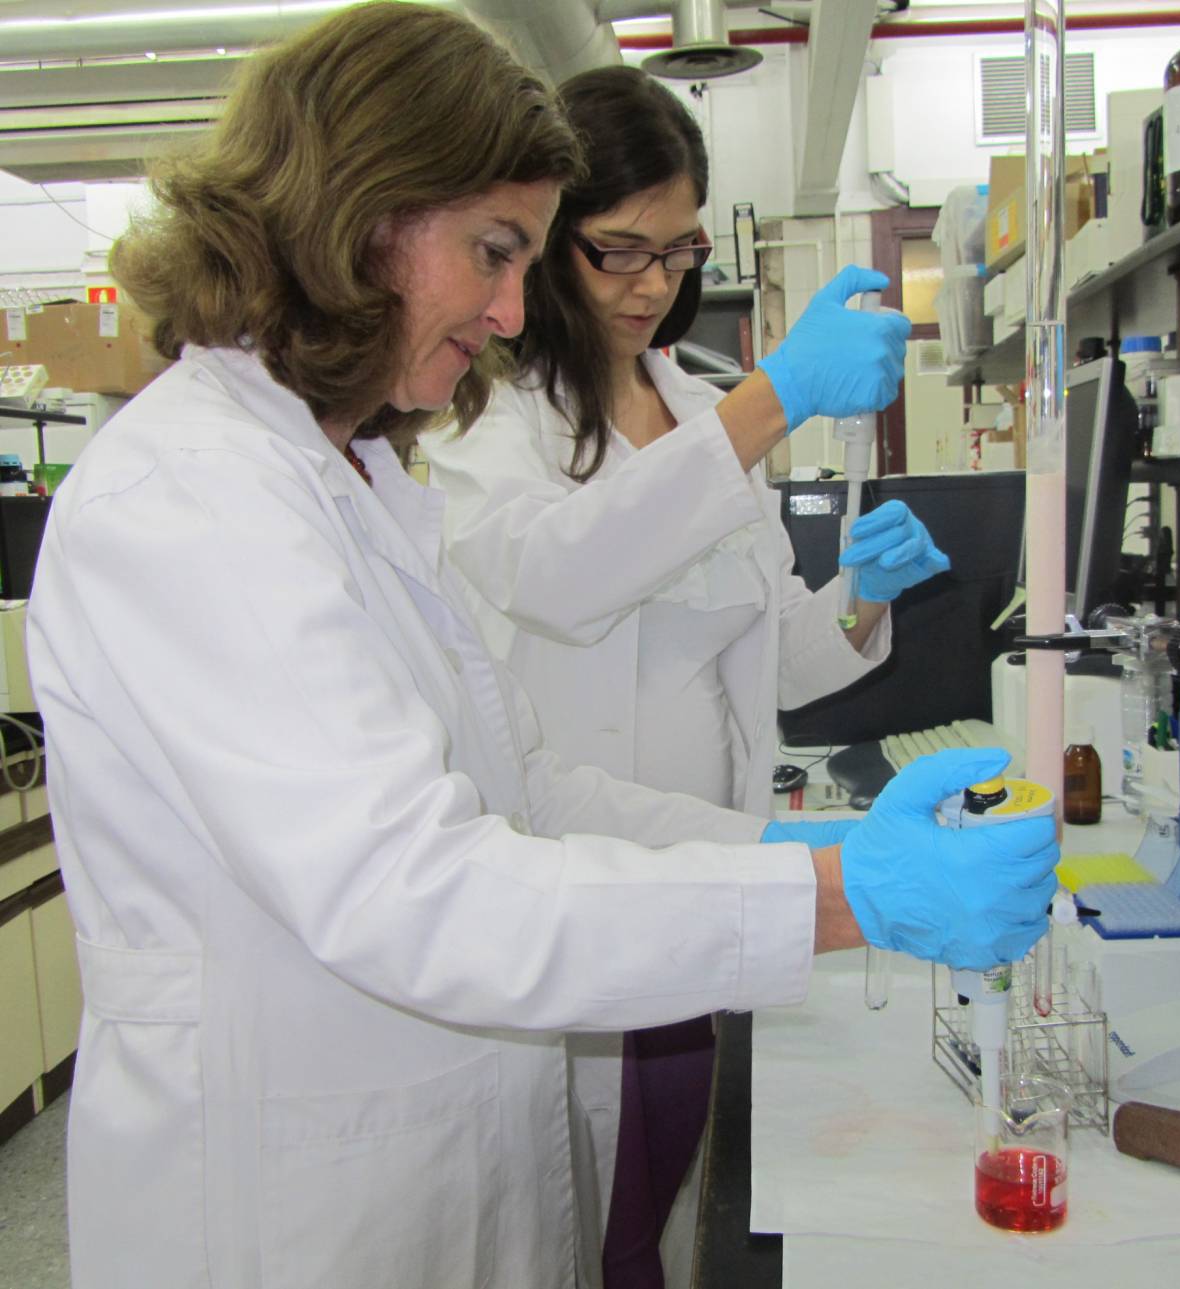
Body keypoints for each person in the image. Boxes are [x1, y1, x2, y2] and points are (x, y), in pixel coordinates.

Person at [26, 9, 1058, 1289]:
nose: (517, 307)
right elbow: (415, 888)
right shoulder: (192, 493)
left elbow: (530, 788)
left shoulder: (351, 480)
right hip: (294, 1204)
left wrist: (812, 849)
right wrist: (845, 899)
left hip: (449, 1143)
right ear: (354, 212)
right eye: (497, 250)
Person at [421, 65, 949, 1286]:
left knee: (663, 1205)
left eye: (679, 249)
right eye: (619, 250)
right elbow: (562, 570)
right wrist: (773, 401)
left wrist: (865, 596)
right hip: (582, 896)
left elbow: (774, 666)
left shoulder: (690, 405)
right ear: (548, 246)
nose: (655, 284)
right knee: (586, 1223)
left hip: (709, 872)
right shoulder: (484, 424)